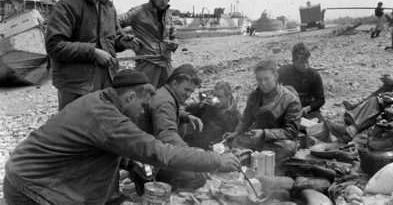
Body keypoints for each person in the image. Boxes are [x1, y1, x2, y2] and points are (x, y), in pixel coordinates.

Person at [3, 70, 240, 205]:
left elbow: (95, 150)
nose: (142, 112)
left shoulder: (98, 99)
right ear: (129, 99)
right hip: (32, 190)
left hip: (24, 176)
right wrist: (216, 161)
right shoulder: (109, 118)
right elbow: (161, 152)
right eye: (143, 106)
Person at [45, 0, 137, 111]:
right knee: (75, 132)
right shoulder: (67, 6)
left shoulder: (108, 7)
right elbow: (54, 46)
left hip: (107, 82)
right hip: (77, 88)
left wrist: (124, 42)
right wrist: (93, 52)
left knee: (103, 129)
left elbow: (112, 39)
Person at [137, 64, 211, 190]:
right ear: (175, 83)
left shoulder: (164, 93)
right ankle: (166, 192)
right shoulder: (165, 101)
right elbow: (166, 135)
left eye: (191, 91)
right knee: (197, 176)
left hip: (150, 151)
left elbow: (163, 115)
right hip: (149, 159)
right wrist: (191, 155)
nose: (188, 95)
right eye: (186, 90)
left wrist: (185, 116)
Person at [224, 59, 302, 164]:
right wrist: (236, 132)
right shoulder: (254, 95)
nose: (263, 83)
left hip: (278, 141)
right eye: (259, 80)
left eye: (267, 79)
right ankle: (256, 156)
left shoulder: (291, 100)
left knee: (288, 147)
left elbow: (291, 131)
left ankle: (254, 157)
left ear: (276, 76)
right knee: (233, 141)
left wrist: (264, 133)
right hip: (257, 138)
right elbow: (246, 118)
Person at [119, 0, 179, 88]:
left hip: (166, 63)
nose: (164, 1)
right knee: (143, 97)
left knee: (167, 95)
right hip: (147, 63)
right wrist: (125, 38)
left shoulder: (168, 14)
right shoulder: (138, 11)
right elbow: (115, 23)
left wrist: (174, 42)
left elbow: (174, 35)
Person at [278, 42, 330, 142]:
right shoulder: (283, 72)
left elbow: (320, 99)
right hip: (288, 111)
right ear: (293, 61)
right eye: (301, 62)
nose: (305, 65)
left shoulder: (314, 75)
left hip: (308, 111)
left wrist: (306, 109)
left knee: (322, 130)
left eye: (307, 62)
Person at [182, 81, 242, 150]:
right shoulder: (210, 105)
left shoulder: (235, 117)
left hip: (209, 149)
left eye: (219, 97)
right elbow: (188, 110)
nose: (215, 99)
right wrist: (200, 105)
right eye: (214, 95)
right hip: (193, 140)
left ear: (228, 97)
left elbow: (233, 141)